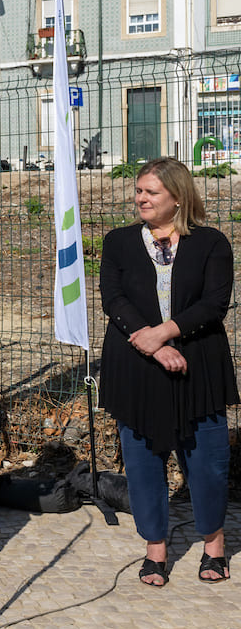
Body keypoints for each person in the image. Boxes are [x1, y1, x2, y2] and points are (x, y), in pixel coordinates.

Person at [99, 157, 237, 587]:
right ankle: (155, 550)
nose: (140, 198)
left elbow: (214, 303)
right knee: (142, 463)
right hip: (136, 366)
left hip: (198, 367)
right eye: (139, 190)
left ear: (177, 198)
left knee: (209, 463)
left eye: (151, 192)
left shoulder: (212, 243)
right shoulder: (118, 242)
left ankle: (213, 545)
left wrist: (164, 333)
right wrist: (151, 343)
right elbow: (113, 298)